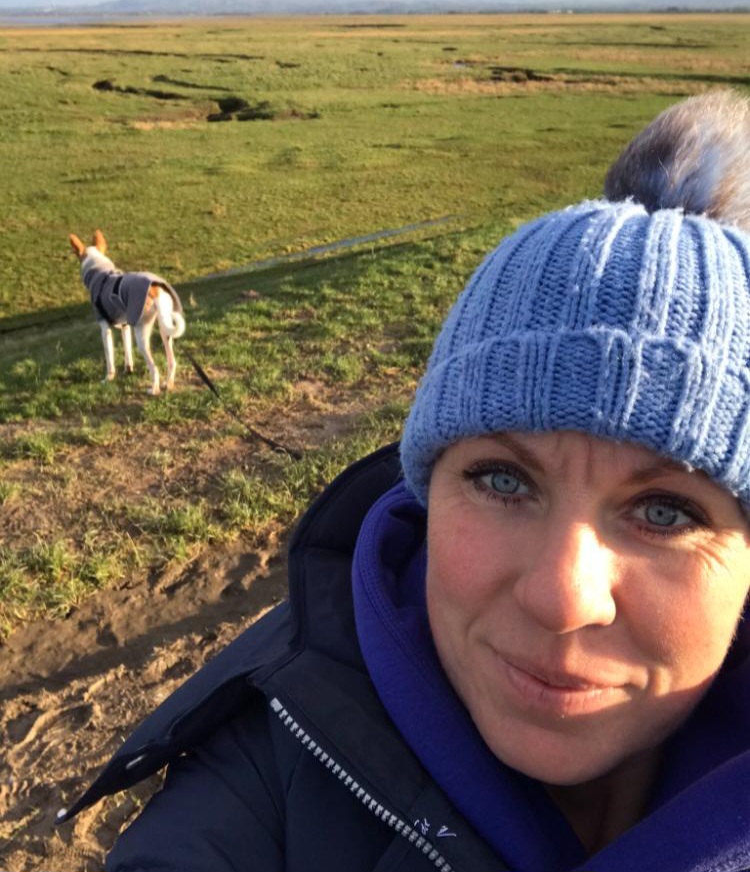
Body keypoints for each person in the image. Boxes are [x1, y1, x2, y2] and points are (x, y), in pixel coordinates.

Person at [59, 89, 750, 872]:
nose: (563, 597)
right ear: (428, 486)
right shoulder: (268, 773)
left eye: (664, 509)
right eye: (501, 480)